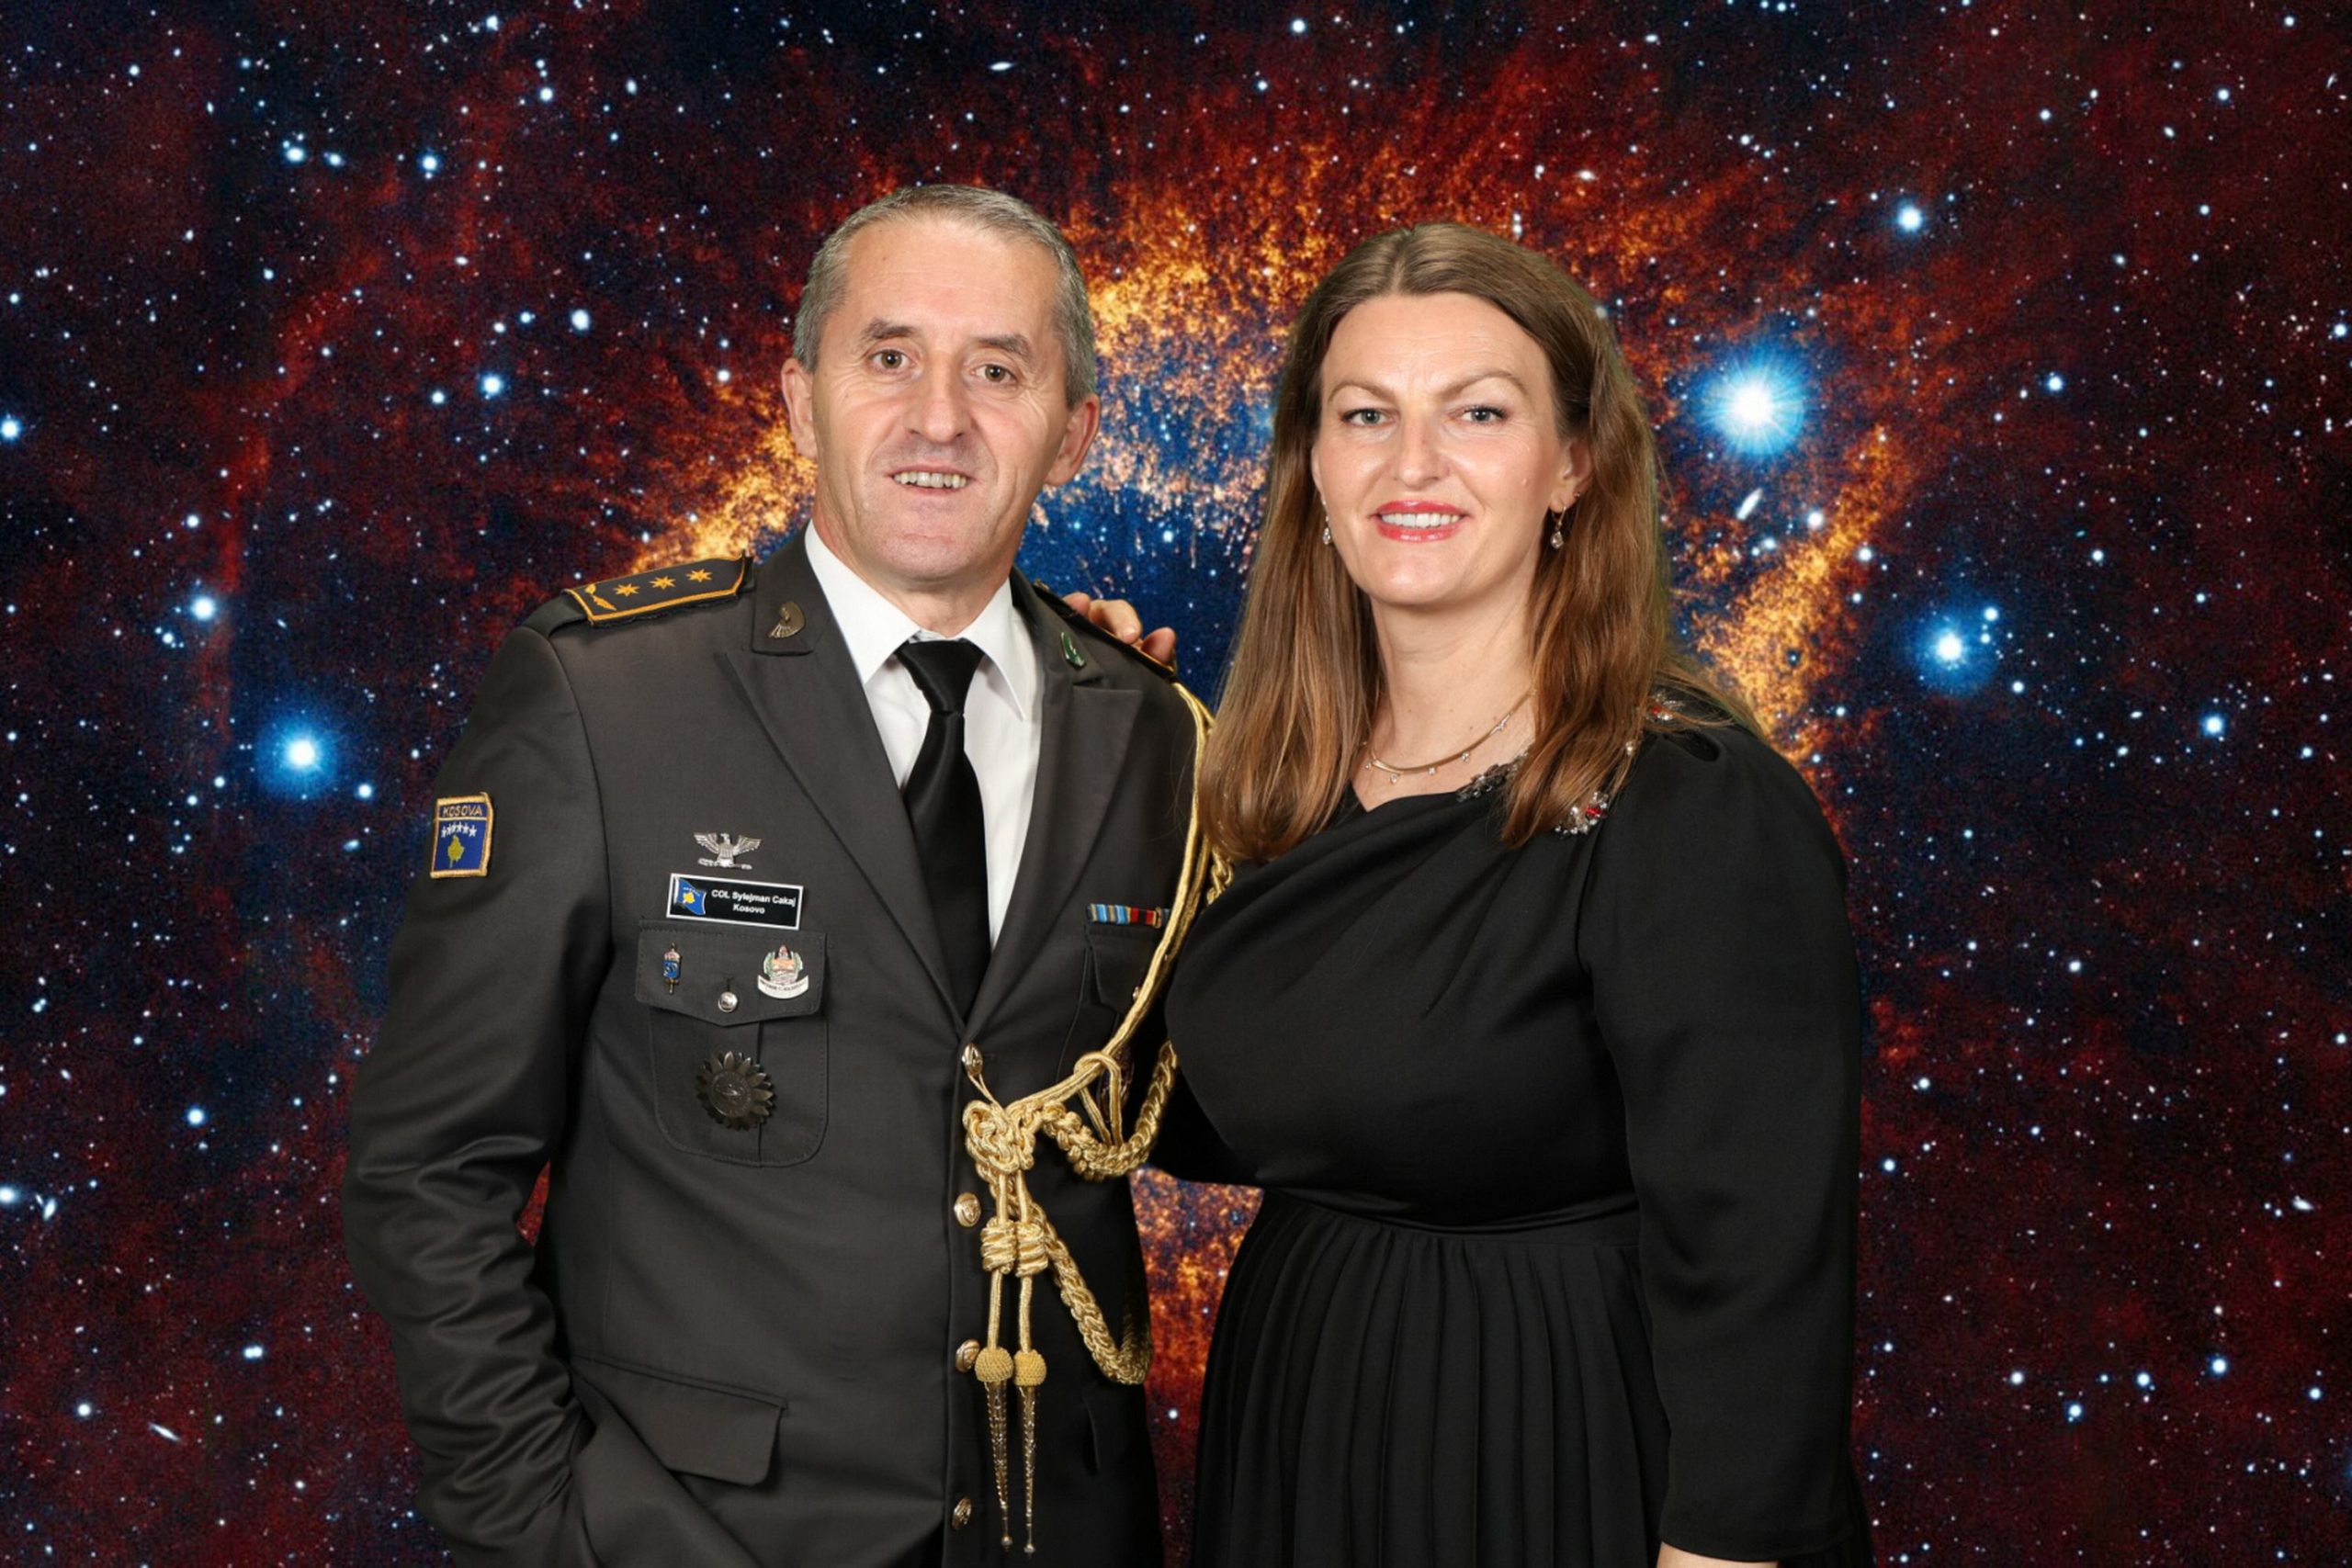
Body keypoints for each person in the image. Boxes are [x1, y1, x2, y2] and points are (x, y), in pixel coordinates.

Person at [342, 184, 1211, 1568]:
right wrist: (555, 1527)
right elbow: (430, 1166)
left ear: (1074, 431)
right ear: (801, 404)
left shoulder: (1156, 734)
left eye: (999, 371)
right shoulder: (606, 696)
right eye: (890, 357)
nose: (940, 417)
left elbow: (1221, 1098)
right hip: (693, 1533)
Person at [1146, 223, 1876, 1567]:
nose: (1412, 464)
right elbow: (1192, 1102)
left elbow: (1764, 1258)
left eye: (1477, 413)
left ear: (1573, 464)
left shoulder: (1687, 804)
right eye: (1366, 415)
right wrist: (1077, 727)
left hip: (1565, 1444)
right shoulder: (1264, 788)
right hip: (1308, 1425)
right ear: (1314, 466)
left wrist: (1722, 1555)